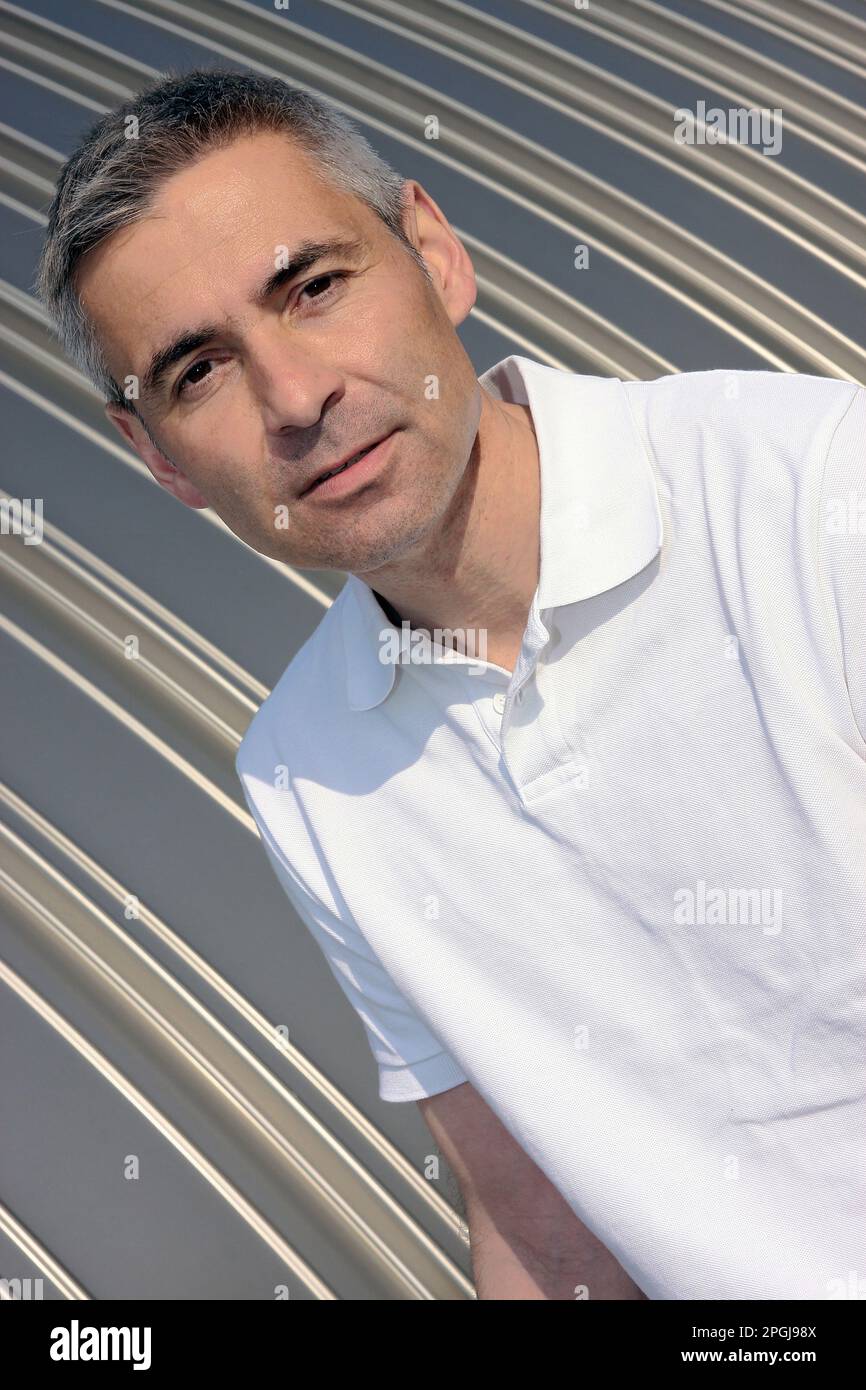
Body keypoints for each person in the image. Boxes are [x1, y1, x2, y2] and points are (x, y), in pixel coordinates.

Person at [36, 68, 865, 1302]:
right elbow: (535, 1224)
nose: (297, 396)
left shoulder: (810, 495)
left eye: (312, 288)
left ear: (434, 253)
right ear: (156, 458)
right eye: (199, 370)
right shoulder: (303, 770)